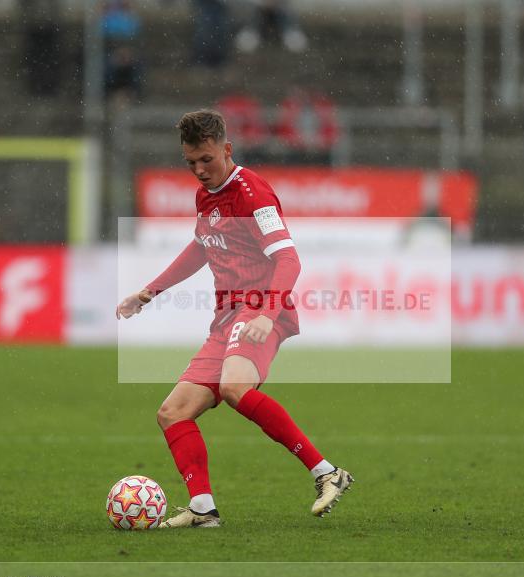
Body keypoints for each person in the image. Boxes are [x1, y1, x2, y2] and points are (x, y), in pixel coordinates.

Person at [116, 109, 353, 528]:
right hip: (227, 319)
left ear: (227, 149)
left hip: (261, 307)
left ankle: (328, 473)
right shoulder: (204, 196)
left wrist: (267, 310)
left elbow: (289, 259)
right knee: (173, 412)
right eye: (190, 162)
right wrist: (149, 291)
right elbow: (199, 247)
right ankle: (203, 509)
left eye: (206, 159)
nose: (199, 170)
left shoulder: (252, 193)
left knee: (234, 387)